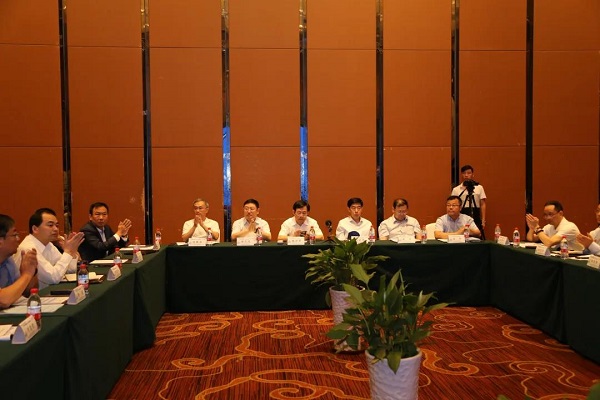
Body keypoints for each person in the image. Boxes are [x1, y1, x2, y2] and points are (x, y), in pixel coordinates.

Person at [14, 208, 84, 289]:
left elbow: (71, 269)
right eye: (50, 225)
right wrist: (67, 252)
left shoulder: (48, 244)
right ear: (35, 229)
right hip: (31, 295)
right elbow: (53, 278)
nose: (56, 229)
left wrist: (72, 251)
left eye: (57, 225)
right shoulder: (28, 249)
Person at [0, 214, 38, 308]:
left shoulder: (8, 260)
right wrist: (26, 274)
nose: (18, 239)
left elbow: (27, 292)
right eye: (14, 235)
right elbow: (3, 300)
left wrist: (32, 270)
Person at [451, 165, 487, 239]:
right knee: (462, 237)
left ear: (473, 174)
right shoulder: (456, 189)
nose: (466, 175)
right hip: (462, 215)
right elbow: (453, 203)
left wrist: (483, 220)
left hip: (476, 214)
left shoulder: (479, 187)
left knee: (477, 236)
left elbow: (483, 204)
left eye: (469, 173)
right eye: (464, 173)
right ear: (461, 175)